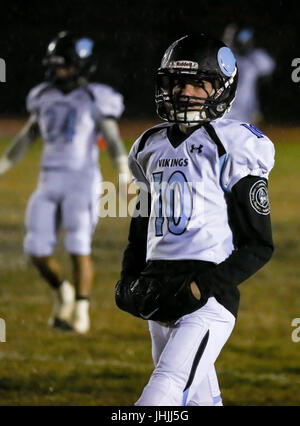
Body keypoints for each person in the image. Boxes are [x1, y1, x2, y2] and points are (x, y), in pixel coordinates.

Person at [115, 33, 275, 406]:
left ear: (221, 89)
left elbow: (259, 244)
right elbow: (141, 228)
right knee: (199, 402)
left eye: (199, 84)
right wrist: (128, 277)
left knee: (161, 396)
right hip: (157, 291)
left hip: (206, 297)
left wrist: (202, 288)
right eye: (178, 82)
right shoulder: (148, 145)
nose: (185, 92)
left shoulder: (233, 143)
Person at [0, 31, 131, 334]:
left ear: (82, 65)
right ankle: (63, 291)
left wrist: (124, 174)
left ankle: (81, 309)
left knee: (77, 245)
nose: (58, 71)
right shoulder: (43, 96)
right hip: (48, 179)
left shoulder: (96, 98)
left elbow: (111, 140)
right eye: (55, 64)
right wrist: (3, 166)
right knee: (35, 249)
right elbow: (26, 138)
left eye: (64, 65)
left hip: (81, 180)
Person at [222, 25, 275, 124]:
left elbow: (268, 67)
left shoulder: (255, 57)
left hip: (246, 108)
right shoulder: (228, 57)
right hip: (227, 106)